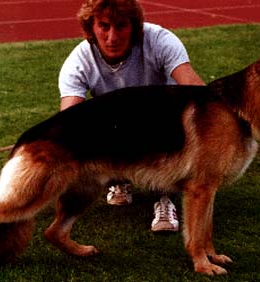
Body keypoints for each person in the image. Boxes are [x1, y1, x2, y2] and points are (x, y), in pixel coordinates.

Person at [58, 0, 205, 232]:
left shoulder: (160, 41)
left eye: (121, 26)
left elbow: (196, 90)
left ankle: (164, 197)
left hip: (165, 121)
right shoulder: (78, 61)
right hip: (115, 125)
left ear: (135, 27)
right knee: (87, 129)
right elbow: (67, 119)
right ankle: (118, 180)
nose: (112, 37)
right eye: (104, 26)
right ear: (91, 28)